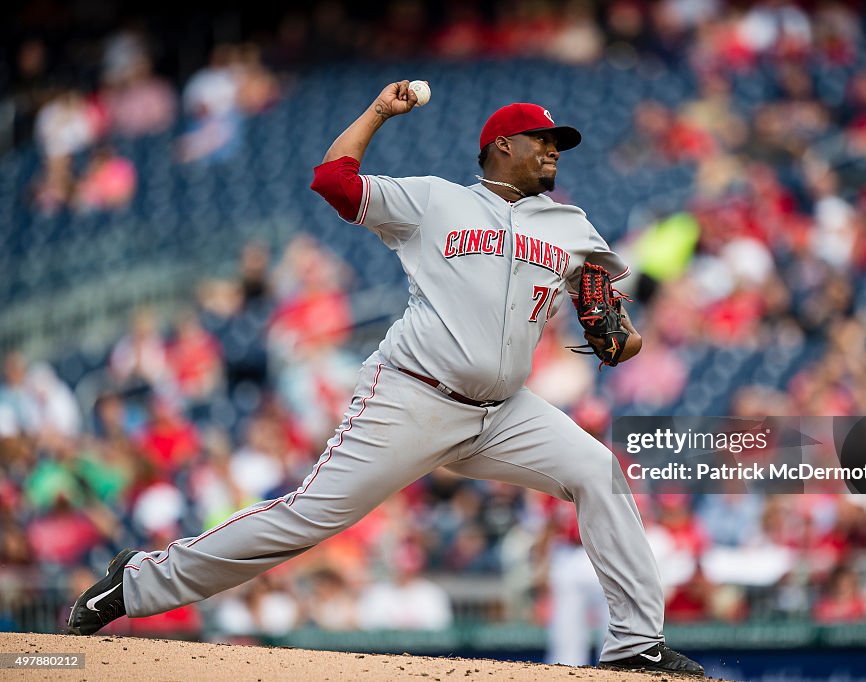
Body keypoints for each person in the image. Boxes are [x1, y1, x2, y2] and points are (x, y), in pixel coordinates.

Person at [67, 80, 704, 676]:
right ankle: (139, 581)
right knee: (310, 516)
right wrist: (378, 113)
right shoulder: (434, 200)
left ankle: (635, 647)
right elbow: (333, 181)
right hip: (412, 396)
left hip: (505, 412)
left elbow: (615, 325)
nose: (552, 153)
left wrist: (613, 328)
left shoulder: (571, 227)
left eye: (557, 145)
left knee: (599, 473)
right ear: (501, 147)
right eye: (542, 141)